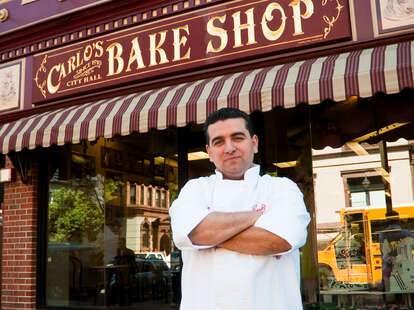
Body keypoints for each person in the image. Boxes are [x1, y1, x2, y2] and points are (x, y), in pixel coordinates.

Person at [169, 108, 311, 310]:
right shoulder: (194, 189)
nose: (229, 148)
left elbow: (280, 240)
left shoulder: (282, 188)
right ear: (209, 152)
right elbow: (194, 233)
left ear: (254, 143)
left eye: (237, 138)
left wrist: (210, 237)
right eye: (218, 142)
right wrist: (256, 217)